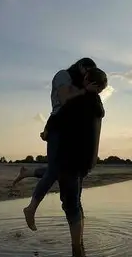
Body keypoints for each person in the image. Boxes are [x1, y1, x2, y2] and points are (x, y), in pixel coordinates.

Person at [17, 57, 100, 231]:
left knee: (64, 172)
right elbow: (64, 100)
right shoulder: (63, 75)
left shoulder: (81, 86)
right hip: (58, 126)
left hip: (70, 129)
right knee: (55, 170)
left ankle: (27, 173)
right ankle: (31, 208)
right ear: (81, 67)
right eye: (87, 73)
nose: (88, 77)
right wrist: (85, 90)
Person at [53, 67, 107, 249]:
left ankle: (76, 249)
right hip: (86, 161)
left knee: (70, 205)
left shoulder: (79, 101)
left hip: (70, 158)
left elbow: (58, 118)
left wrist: (45, 132)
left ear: (87, 80)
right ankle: (80, 244)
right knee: (76, 201)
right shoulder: (98, 104)